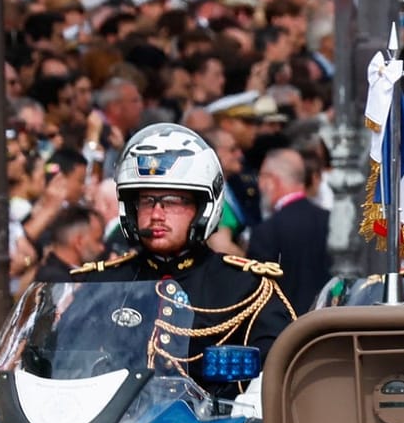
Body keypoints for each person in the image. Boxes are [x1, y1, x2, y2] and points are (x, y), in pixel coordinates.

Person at [72, 123, 296, 394]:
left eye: (173, 201)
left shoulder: (246, 286)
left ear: (203, 207)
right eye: (146, 201)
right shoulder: (101, 283)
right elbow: (64, 367)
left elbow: (280, 378)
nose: (157, 214)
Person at [246, 147, 332, 313]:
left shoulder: (266, 231)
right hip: (328, 325)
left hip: (286, 331)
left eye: (261, 177)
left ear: (271, 180)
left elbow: (256, 294)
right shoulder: (331, 220)